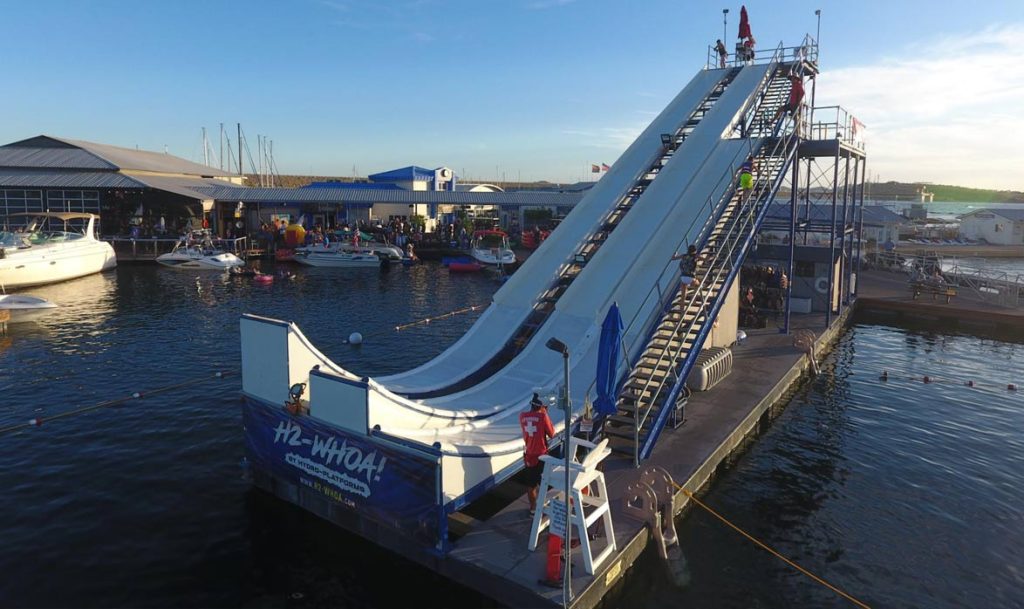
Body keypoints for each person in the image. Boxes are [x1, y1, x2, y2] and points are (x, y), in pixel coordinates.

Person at [519, 393, 555, 516]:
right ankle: (545, 506)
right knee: (545, 481)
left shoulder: (522, 416)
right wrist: (545, 413)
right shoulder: (542, 416)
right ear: (542, 406)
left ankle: (533, 508)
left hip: (529, 455)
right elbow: (551, 433)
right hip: (542, 455)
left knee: (531, 484)